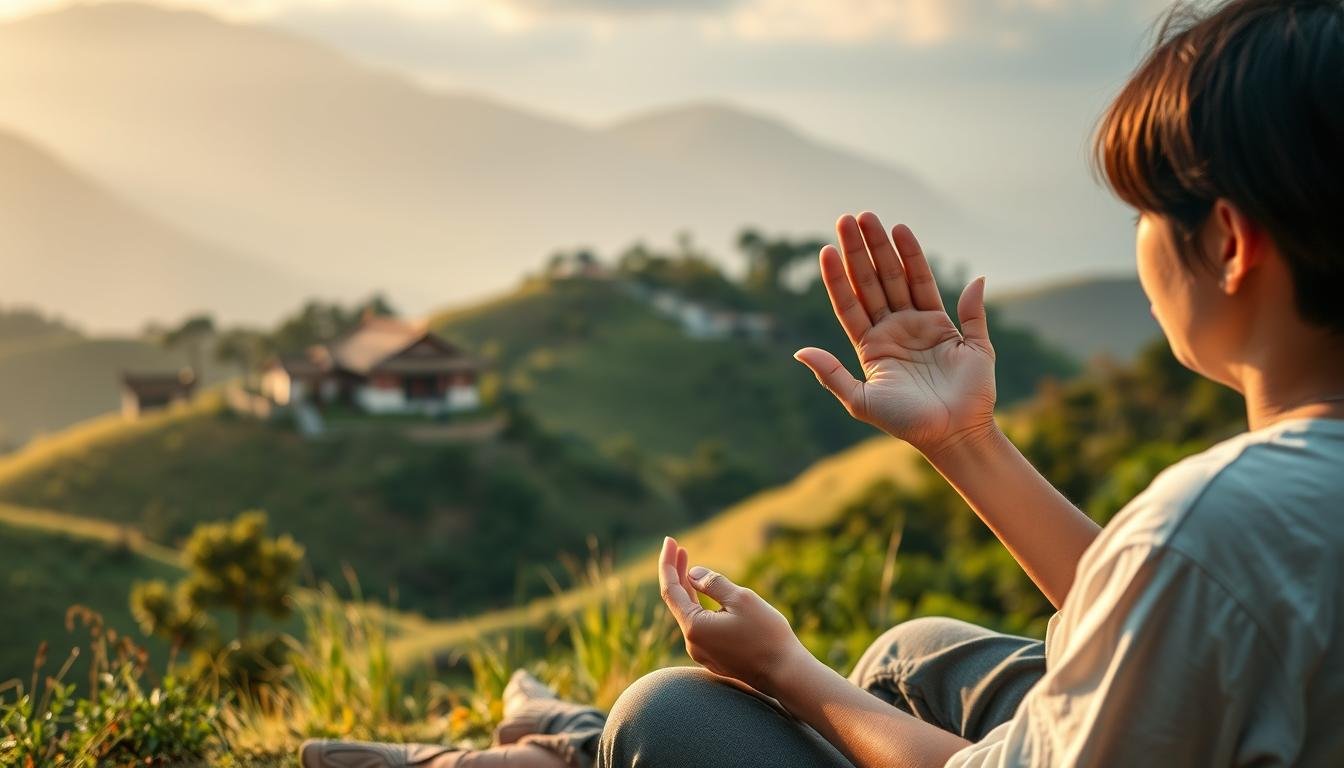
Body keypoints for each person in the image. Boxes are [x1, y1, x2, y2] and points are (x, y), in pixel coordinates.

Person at [301, 0, 1344, 765]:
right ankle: (552, 749)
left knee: (670, 717)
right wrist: (962, 440)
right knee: (913, 657)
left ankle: (558, 748)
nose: (1139, 245)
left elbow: (1190, 582)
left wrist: (788, 673)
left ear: (1228, 240)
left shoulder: (1212, 520)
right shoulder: (1261, 516)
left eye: (1147, 210)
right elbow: (1198, 615)